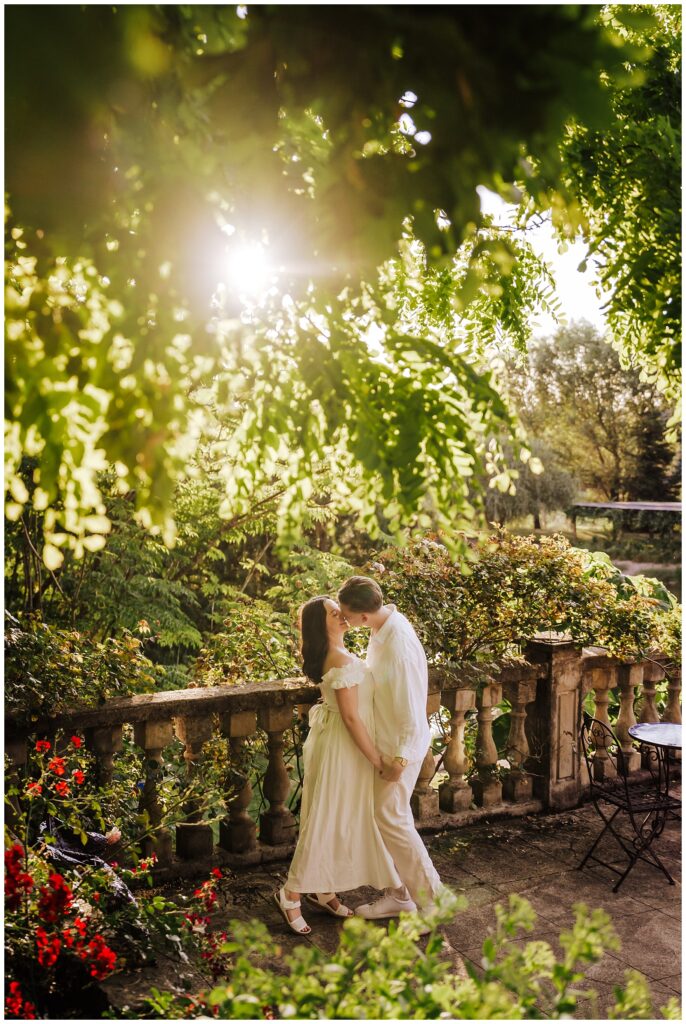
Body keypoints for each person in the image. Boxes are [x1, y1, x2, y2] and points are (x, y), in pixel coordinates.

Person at [275, 595, 402, 934]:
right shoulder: (340, 660)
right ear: (322, 623)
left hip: (336, 741)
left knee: (340, 817)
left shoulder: (338, 655)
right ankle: (291, 893)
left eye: (340, 610)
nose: (343, 615)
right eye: (334, 614)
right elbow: (350, 718)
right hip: (342, 746)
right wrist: (376, 758)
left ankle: (323, 888)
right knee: (326, 819)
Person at [337, 575, 443, 919]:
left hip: (401, 748)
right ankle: (398, 893)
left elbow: (413, 709)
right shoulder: (381, 626)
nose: (344, 620)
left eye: (347, 615)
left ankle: (432, 902)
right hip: (385, 743)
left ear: (364, 616)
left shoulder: (397, 646)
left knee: (394, 821)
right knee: (383, 818)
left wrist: (398, 759)